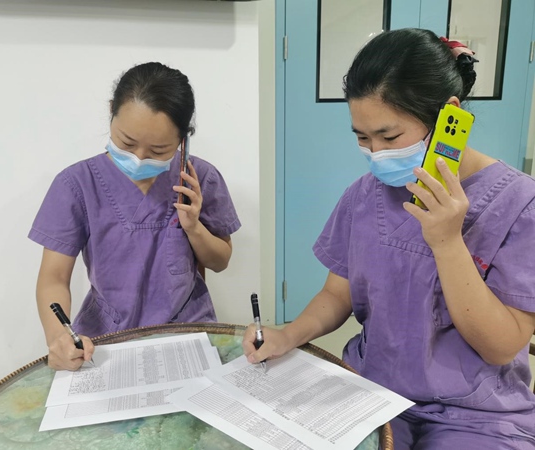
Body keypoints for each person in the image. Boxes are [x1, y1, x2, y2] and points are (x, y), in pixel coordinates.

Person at [244, 28, 535, 449]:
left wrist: (448, 243)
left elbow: (501, 346)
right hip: (373, 392)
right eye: (363, 138)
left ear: (448, 117)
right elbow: (337, 294)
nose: (377, 153)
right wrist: (288, 335)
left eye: (390, 137)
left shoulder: (520, 204)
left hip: (476, 416)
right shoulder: (365, 195)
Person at [30, 62, 241, 371]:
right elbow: (54, 278)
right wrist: (59, 337)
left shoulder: (200, 178)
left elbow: (220, 261)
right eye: (127, 143)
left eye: (158, 150)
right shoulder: (76, 185)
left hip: (187, 332)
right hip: (107, 337)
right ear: (111, 112)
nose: (139, 158)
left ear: (183, 139)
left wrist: (194, 228)